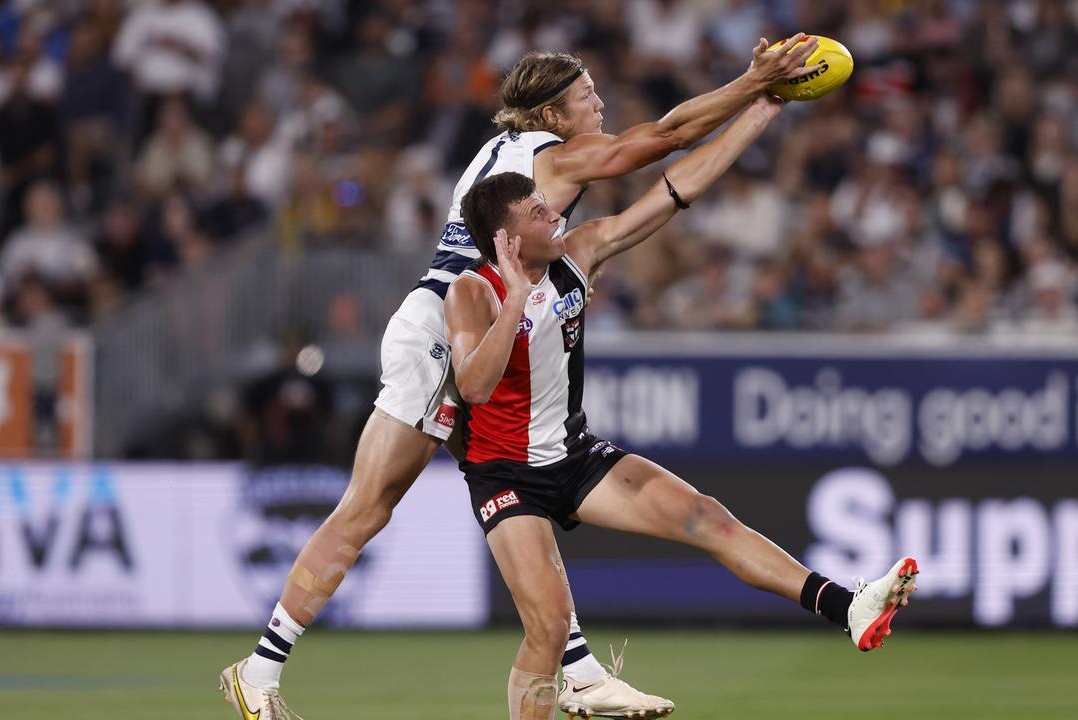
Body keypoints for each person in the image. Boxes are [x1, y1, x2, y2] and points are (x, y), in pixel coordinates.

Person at [219, 36, 824, 720]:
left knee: (518, 483)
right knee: (368, 505)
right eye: (586, 95)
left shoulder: (506, 155)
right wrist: (752, 83)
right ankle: (259, 672)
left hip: (459, 324)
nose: (600, 102)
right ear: (552, 114)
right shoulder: (551, 159)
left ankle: (583, 672)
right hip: (448, 332)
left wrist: (759, 102)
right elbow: (664, 138)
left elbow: (661, 171)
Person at [444, 95, 918, 720]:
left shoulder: (577, 254)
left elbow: (671, 192)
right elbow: (474, 387)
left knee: (706, 517)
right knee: (549, 629)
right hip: (505, 474)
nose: (554, 210)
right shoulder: (472, 292)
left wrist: (765, 109)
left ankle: (846, 607)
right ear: (507, 238)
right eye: (538, 210)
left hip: (574, 455)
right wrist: (516, 301)